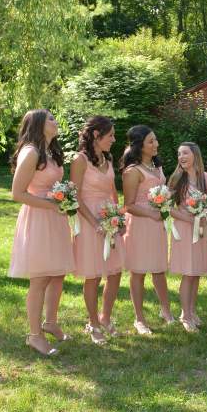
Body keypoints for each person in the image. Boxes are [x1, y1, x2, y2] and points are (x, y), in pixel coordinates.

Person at [9, 109, 74, 356]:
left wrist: (64, 197)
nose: (56, 121)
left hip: (55, 219)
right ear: (37, 124)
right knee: (40, 280)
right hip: (38, 219)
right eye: (51, 118)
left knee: (57, 274)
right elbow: (18, 194)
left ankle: (51, 322)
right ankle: (34, 336)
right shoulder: (31, 152)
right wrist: (52, 203)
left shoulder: (51, 152)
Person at [71, 116, 124, 345]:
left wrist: (118, 217)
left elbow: (112, 191)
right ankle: (92, 322)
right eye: (110, 135)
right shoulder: (79, 160)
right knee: (93, 275)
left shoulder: (108, 158)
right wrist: (95, 223)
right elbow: (75, 196)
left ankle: (105, 317)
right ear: (96, 135)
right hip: (89, 219)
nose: (114, 139)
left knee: (115, 272)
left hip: (109, 217)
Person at [121, 125, 174, 335]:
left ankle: (166, 311)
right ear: (139, 145)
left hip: (157, 225)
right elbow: (129, 205)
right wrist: (151, 213)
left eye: (156, 140)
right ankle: (139, 319)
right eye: (151, 141)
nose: (156, 144)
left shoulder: (156, 167)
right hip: (141, 225)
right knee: (139, 272)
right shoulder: (132, 171)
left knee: (159, 269)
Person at [167, 142, 207, 333]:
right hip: (185, 230)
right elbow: (167, 207)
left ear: (195, 154)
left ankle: (192, 310)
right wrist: (188, 217)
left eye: (185, 153)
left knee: (196, 273)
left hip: (200, 231)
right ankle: (185, 315)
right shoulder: (177, 178)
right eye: (179, 154)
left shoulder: (205, 178)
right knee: (188, 273)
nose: (181, 157)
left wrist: (205, 218)